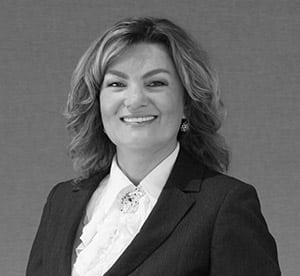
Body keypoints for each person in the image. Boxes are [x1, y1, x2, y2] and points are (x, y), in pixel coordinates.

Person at [26, 17, 281, 276]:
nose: (135, 100)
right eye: (116, 84)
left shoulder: (224, 205)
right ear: (96, 103)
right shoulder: (62, 201)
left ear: (187, 103)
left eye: (156, 83)